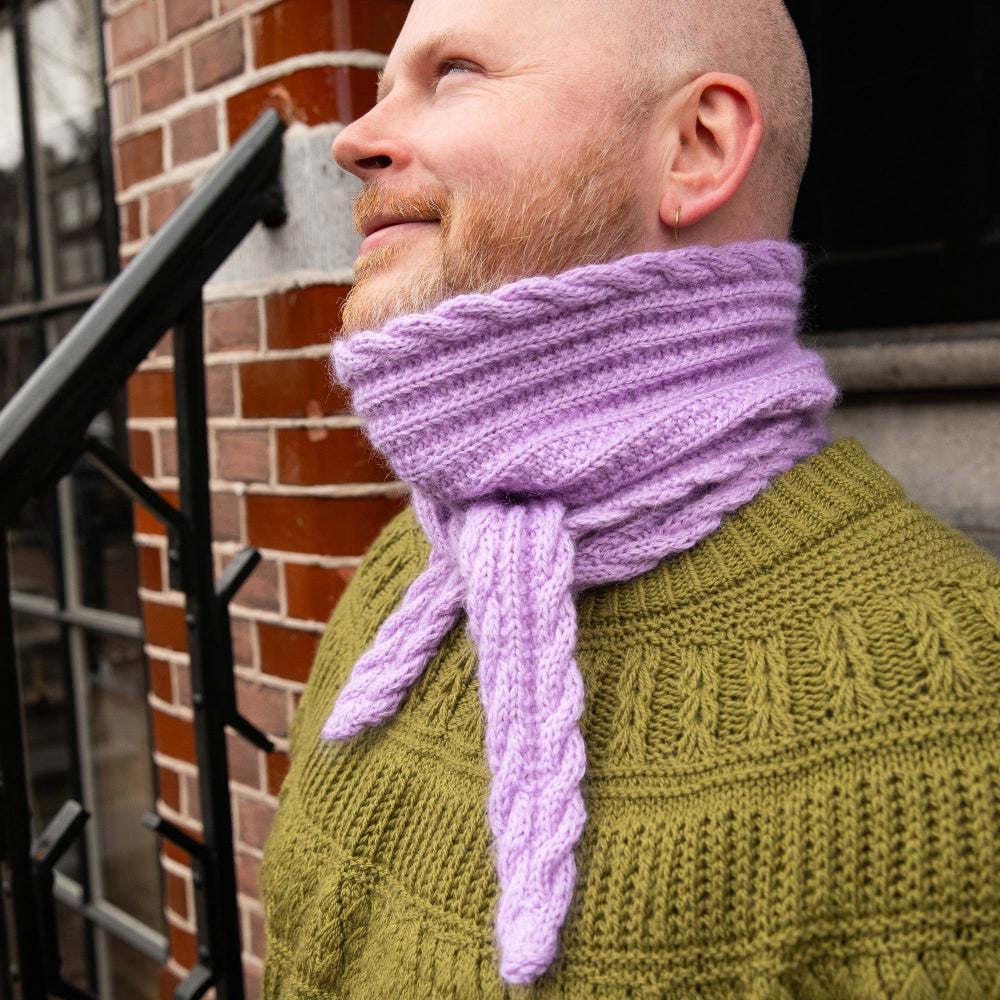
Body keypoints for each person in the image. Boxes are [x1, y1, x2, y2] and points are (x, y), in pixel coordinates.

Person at [260, 0, 1000, 995]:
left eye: (455, 73)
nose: (354, 140)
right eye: (387, 85)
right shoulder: (407, 574)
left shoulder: (958, 716)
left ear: (697, 148)